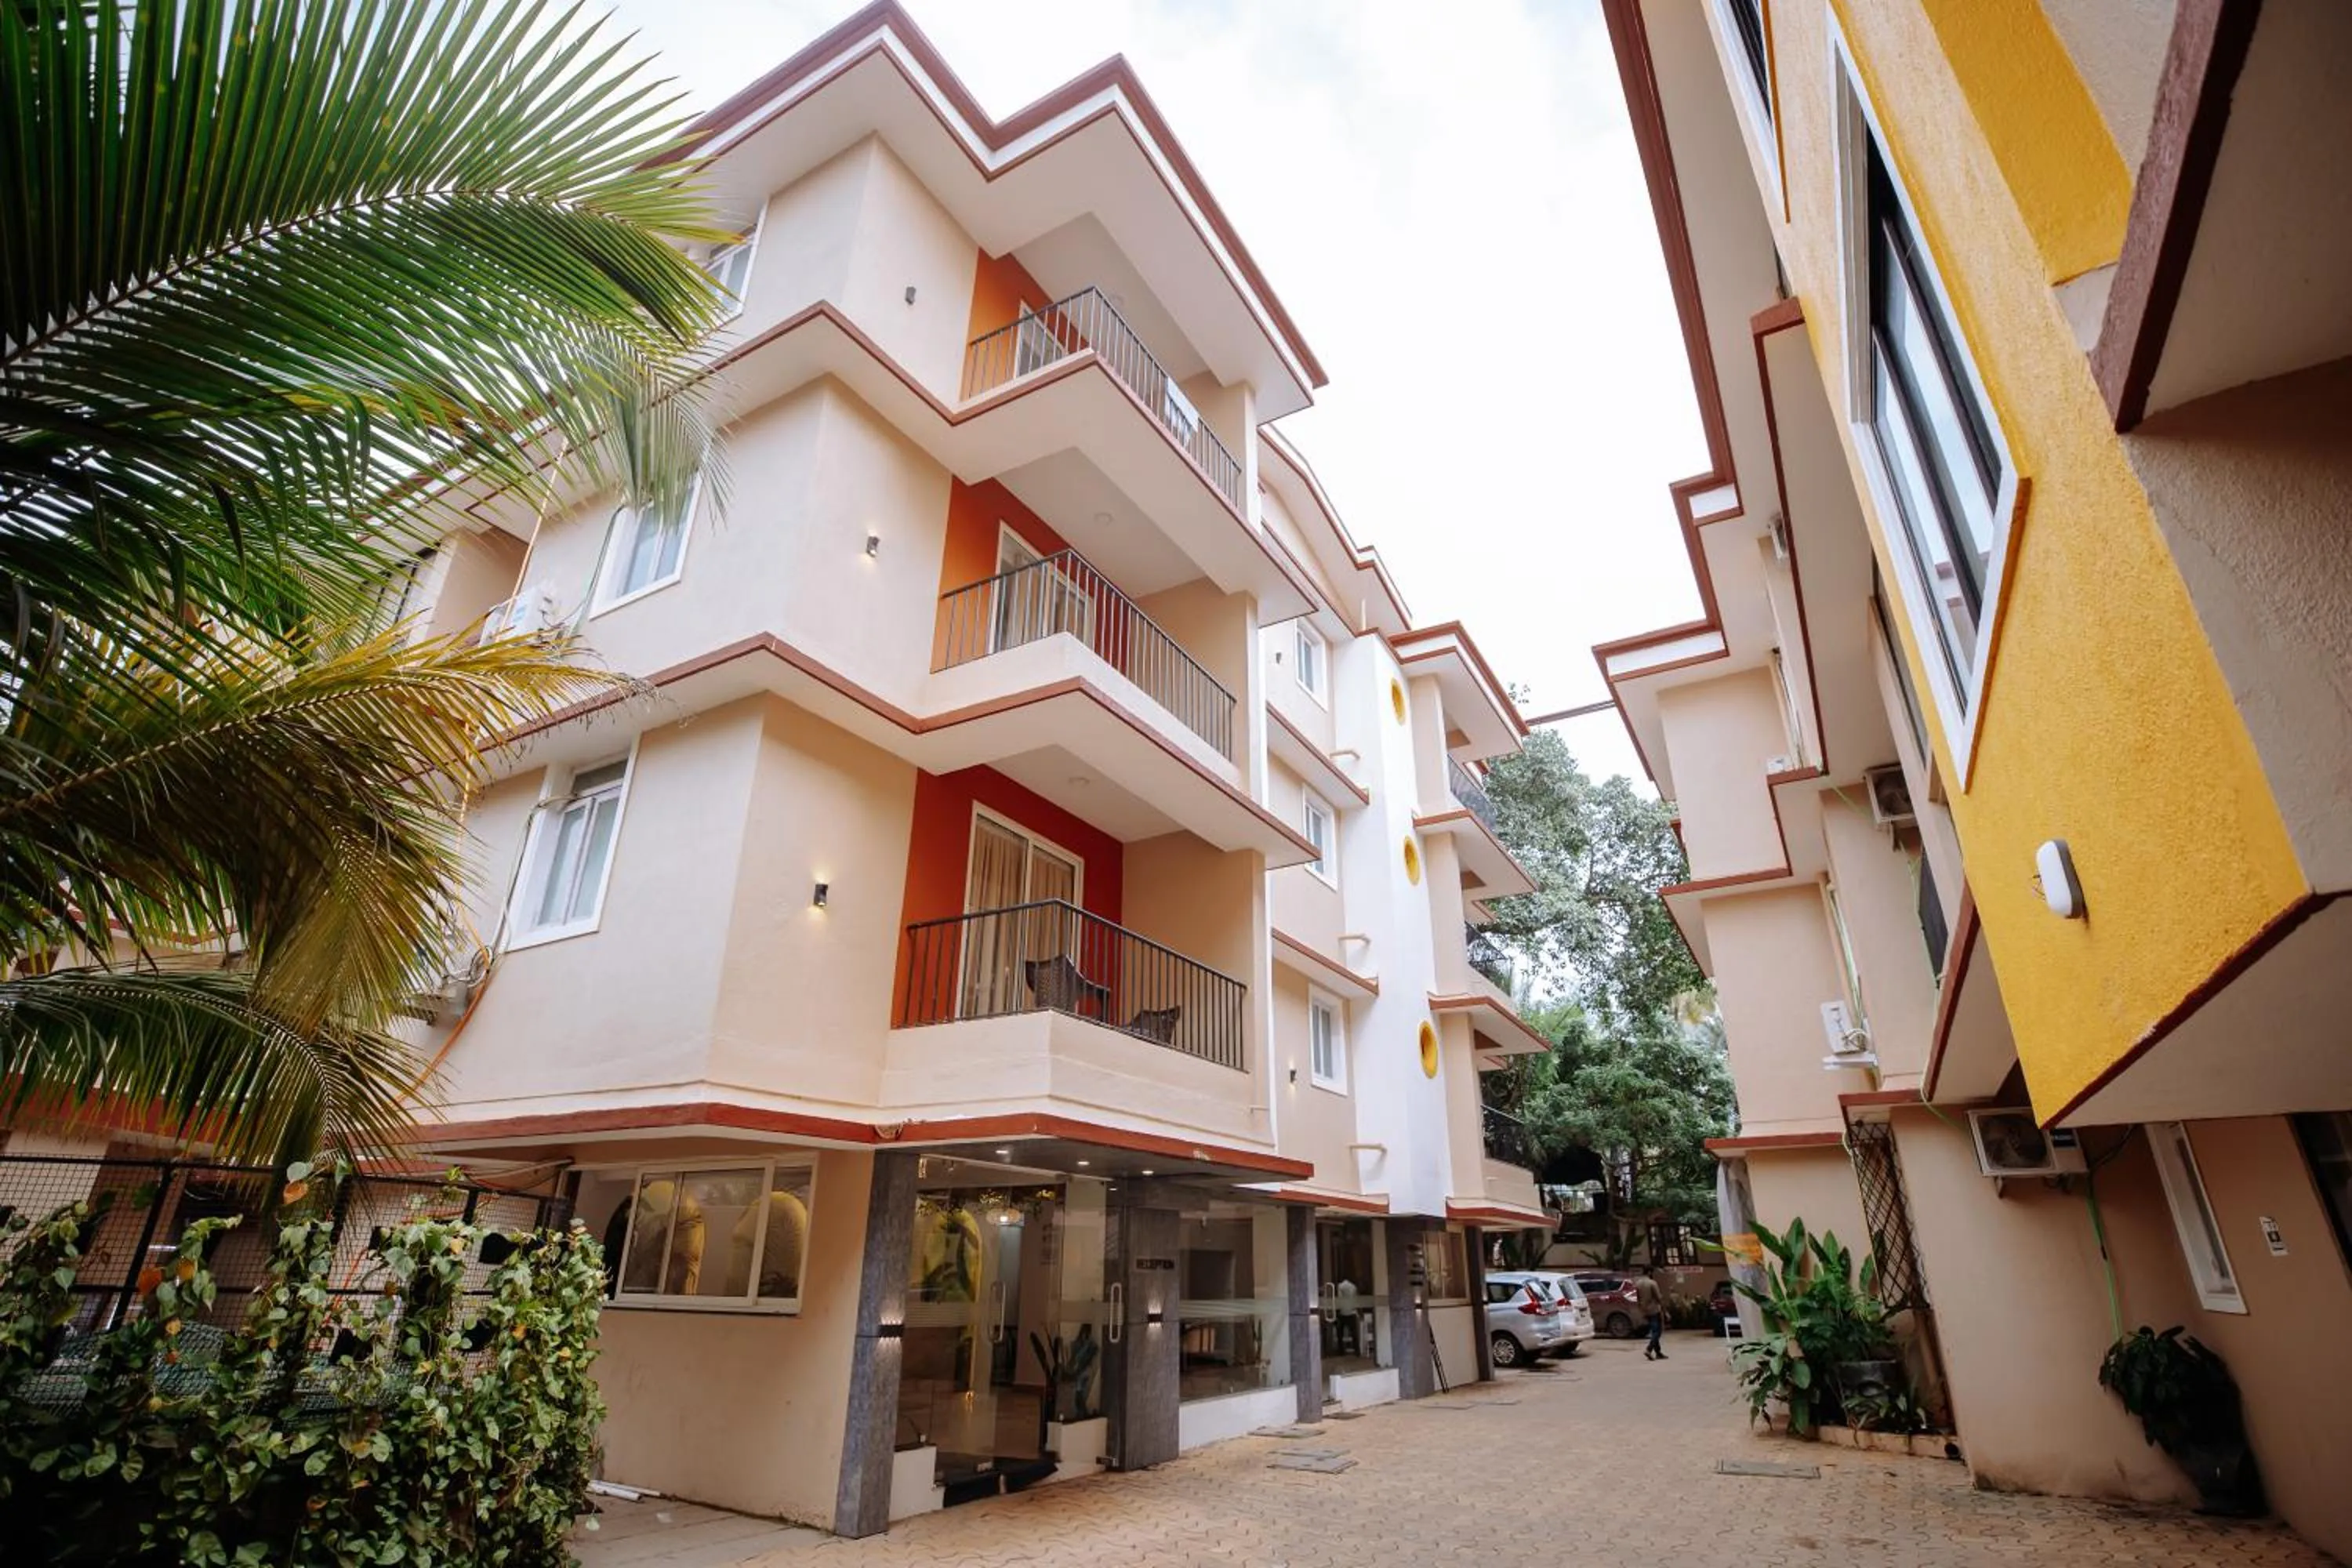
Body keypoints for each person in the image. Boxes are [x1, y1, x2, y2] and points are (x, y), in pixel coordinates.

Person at [1635, 1269, 1667, 1360]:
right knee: (1658, 1331)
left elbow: (1637, 1298)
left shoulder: (1638, 1284)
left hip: (1645, 1310)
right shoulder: (1652, 1283)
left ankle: (1658, 1352)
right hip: (1654, 1310)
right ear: (1649, 1272)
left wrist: (1641, 1309)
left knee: (1654, 1331)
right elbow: (1658, 1298)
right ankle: (1649, 1349)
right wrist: (1665, 1311)